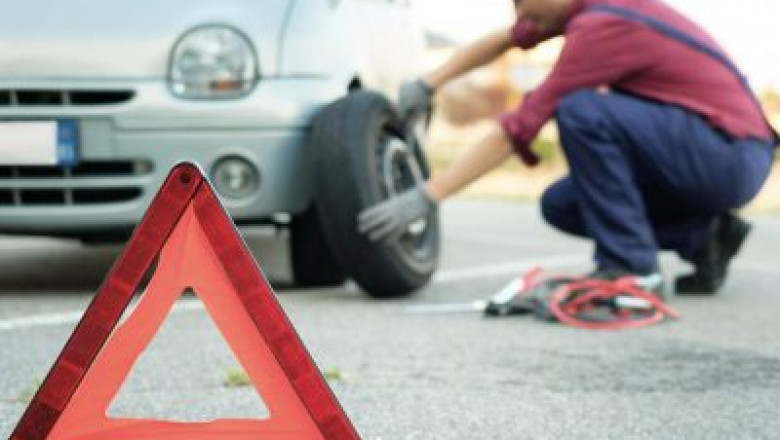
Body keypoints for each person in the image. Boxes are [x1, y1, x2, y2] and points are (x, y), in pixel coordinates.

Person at [357, 0, 776, 295]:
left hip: (731, 153)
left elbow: (517, 128)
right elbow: (505, 39)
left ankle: (632, 269)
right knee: (563, 205)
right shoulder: (584, 9)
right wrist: (432, 82)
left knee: (580, 110)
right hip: (708, 153)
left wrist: (429, 196)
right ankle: (705, 236)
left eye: (520, 2)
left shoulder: (604, 24)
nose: (519, 14)